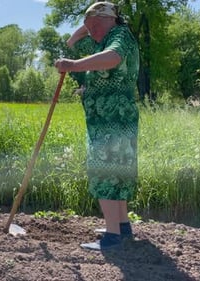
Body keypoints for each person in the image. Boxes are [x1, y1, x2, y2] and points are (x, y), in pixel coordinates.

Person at [54, 1, 139, 251]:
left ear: (110, 20)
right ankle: (121, 227)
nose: (91, 30)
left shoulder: (119, 36)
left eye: (96, 24)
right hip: (103, 120)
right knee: (117, 169)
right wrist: (86, 26)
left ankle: (112, 237)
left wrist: (74, 65)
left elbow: (113, 58)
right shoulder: (100, 40)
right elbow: (71, 45)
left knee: (106, 170)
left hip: (114, 119)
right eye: (88, 26)